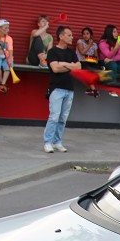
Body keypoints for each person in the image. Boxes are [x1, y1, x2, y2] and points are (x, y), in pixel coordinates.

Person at [43, 25, 80, 154]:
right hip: (56, 88)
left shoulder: (71, 53)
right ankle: (48, 142)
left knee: (63, 118)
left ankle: (57, 142)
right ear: (61, 36)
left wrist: (63, 64)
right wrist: (70, 66)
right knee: (54, 116)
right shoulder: (53, 52)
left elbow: (79, 67)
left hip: (69, 89)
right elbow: (55, 69)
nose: (72, 37)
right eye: (69, 35)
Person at [75, 27, 101, 97]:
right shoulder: (80, 41)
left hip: (90, 62)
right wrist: (89, 45)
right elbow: (82, 53)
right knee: (88, 70)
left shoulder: (95, 45)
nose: (85, 36)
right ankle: (93, 90)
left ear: (91, 35)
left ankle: (92, 89)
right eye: (83, 34)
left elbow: (96, 56)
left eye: (87, 34)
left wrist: (95, 60)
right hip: (81, 61)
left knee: (97, 70)